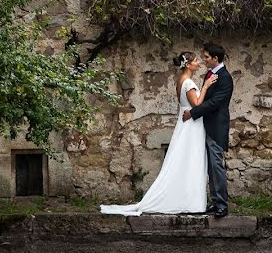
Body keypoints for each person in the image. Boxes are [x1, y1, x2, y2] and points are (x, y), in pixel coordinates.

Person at [100, 51, 216, 215]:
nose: (199, 62)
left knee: (187, 159)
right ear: (188, 65)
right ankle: (190, 202)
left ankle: (190, 200)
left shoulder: (181, 80)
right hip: (191, 125)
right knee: (191, 158)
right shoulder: (188, 82)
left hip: (188, 123)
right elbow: (196, 104)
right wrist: (206, 86)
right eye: (196, 60)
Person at [182, 42, 234, 218]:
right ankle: (215, 201)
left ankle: (222, 205)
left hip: (216, 127)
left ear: (215, 58)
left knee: (216, 165)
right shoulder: (210, 75)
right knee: (210, 167)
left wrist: (193, 113)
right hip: (205, 126)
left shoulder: (225, 78)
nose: (204, 60)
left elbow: (215, 103)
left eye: (206, 57)